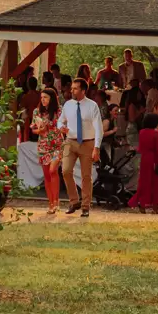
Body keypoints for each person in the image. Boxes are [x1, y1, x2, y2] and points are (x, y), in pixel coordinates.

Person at [59, 77, 103, 217]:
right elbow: (60, 120)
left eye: (75, 88)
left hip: (87, 142)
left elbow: (99, 128)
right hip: (70, 141)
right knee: (65, 171)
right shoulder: (68, 105)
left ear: (83, 90)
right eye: (72, 88)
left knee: (86, 175)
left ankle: (85, 206)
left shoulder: (92, 106)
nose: (72, 90)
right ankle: (74, 201)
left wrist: (96, 147)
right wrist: (61, 127)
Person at [30, 89, 65, 213]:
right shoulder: (37, 111)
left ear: (52, 98)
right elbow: (33, 129)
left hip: (57, 145)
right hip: (43, 146)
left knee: (53, 170)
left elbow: (63, 125)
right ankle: (50, 202)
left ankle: (56, 201)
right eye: (42, 97)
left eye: (45, 97)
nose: (43, 100)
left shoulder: (59, 110)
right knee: (46, 174)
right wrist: (39, 130)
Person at [129, 112, 158, 212]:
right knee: (157, 183)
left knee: (144, 182)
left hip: (145, 159)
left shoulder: (142, 132)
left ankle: (142, 204)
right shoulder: (157, 134)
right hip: (156, 159)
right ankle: (155, 207)